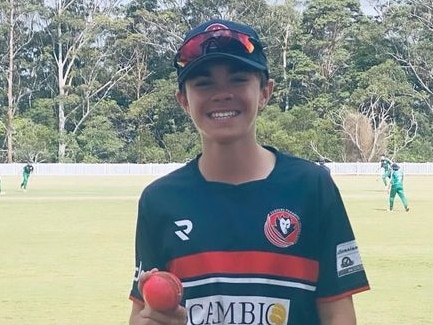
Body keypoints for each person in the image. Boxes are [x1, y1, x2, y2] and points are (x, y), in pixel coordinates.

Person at [128, 18, 369, 325]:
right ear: (184, 101)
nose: (222, 93)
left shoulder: (312, 186)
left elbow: (337, 312)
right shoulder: (159, 200)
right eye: (204, 83)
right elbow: (142, 313)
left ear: (265, 92)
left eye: (239, 79)